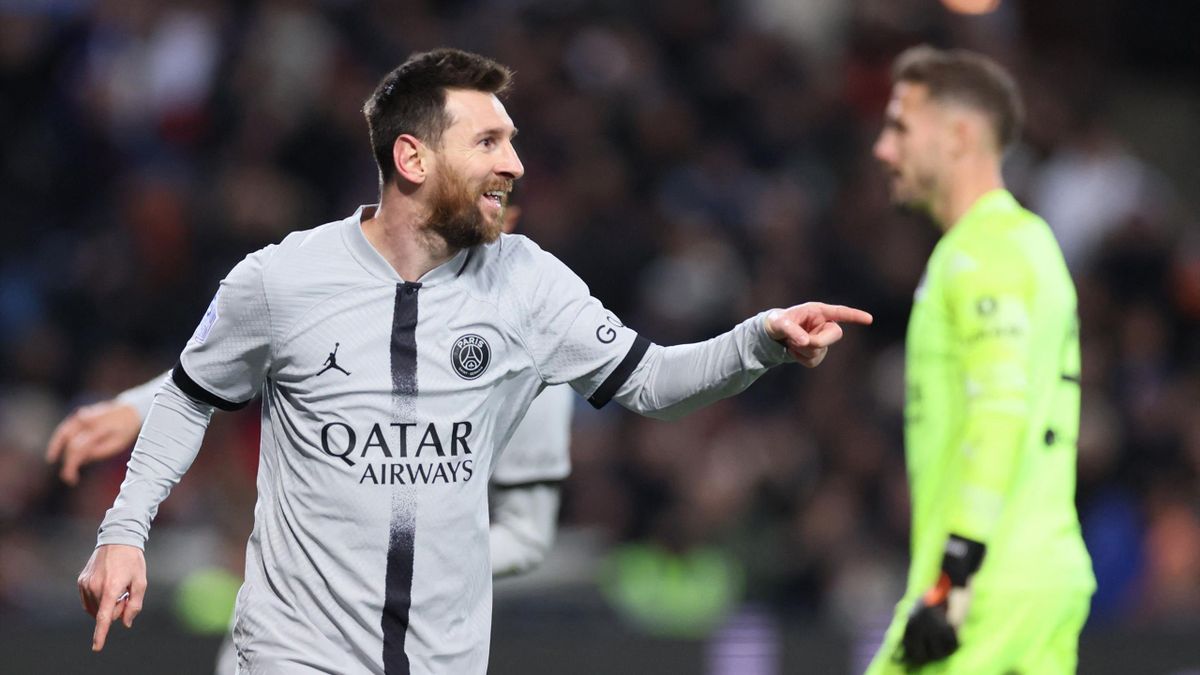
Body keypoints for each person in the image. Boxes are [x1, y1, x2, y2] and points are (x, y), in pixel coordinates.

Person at [77, 48, 872, 674]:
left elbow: (653, 380)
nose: (514, 164)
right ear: (413, 158)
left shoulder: (527, 282)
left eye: (512, 142)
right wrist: (124, 531)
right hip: (297, 654)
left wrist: (759, 339)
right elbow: (190, 394)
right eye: (489, 142)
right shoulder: (279, 280)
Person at [864, 46, 1094, 674]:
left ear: (959, 137)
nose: (883, 149)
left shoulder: (978, 252)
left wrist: (954, 574)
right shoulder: (1033, 243)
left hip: (983, 588)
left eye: (900, 128)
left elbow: (1000, 408)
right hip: (1045, 580)